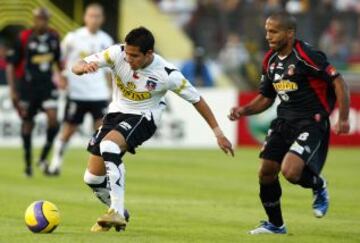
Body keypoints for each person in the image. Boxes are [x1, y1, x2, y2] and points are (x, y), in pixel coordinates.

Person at [71, 26, 234, 232]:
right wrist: (82, 69)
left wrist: (218, 133)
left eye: (134, 55)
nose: (128, 59)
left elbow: (197, 100)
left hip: (144, 117)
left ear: (149, 53)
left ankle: (117, 211)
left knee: (109, 146)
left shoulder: (167, 74)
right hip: (114, 115)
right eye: (127, 53)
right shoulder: (116, 53)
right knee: (92, 179)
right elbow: (78, 64)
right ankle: (120, 211)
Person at [228, 11, 350, 234]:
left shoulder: (307, 55)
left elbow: (338, 81)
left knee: (291, 172)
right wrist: (244, 110)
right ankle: (276, 225)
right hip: (284, 122)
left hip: (311, 122)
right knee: (266, 171)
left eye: (273, 31)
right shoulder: (270, 60)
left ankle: (318, 184)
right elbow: (266, 97)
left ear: (289, 32)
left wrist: (342, 117)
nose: (268, 36)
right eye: (267, 31)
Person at [46, 3, 113, 176]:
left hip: (99, 94)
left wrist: (112, 92)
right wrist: (60, 77)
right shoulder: (73, 37)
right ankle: (55, 164)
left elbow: (109, 70)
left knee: (102, 132)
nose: (94, 19)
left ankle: (99, 169)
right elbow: (58, 59)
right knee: (68, 130)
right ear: (85, 18)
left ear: (102, 19)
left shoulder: (106, 40)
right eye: (91, 15)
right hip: (77, 93)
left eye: (97, 16)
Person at [6, 8, 61, 177]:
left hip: (47, 86)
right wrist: (13, 89)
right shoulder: (24, 37)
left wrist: (62, 77)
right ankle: (28, 164)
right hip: (28, 87)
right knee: (27, 123)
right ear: (34, 19)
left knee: (53, 119)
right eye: (39, 19)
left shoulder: (54, 38)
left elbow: (58, 61)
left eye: (45, 19)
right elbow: (10, 64)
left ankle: (43, 157)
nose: (42, 22)